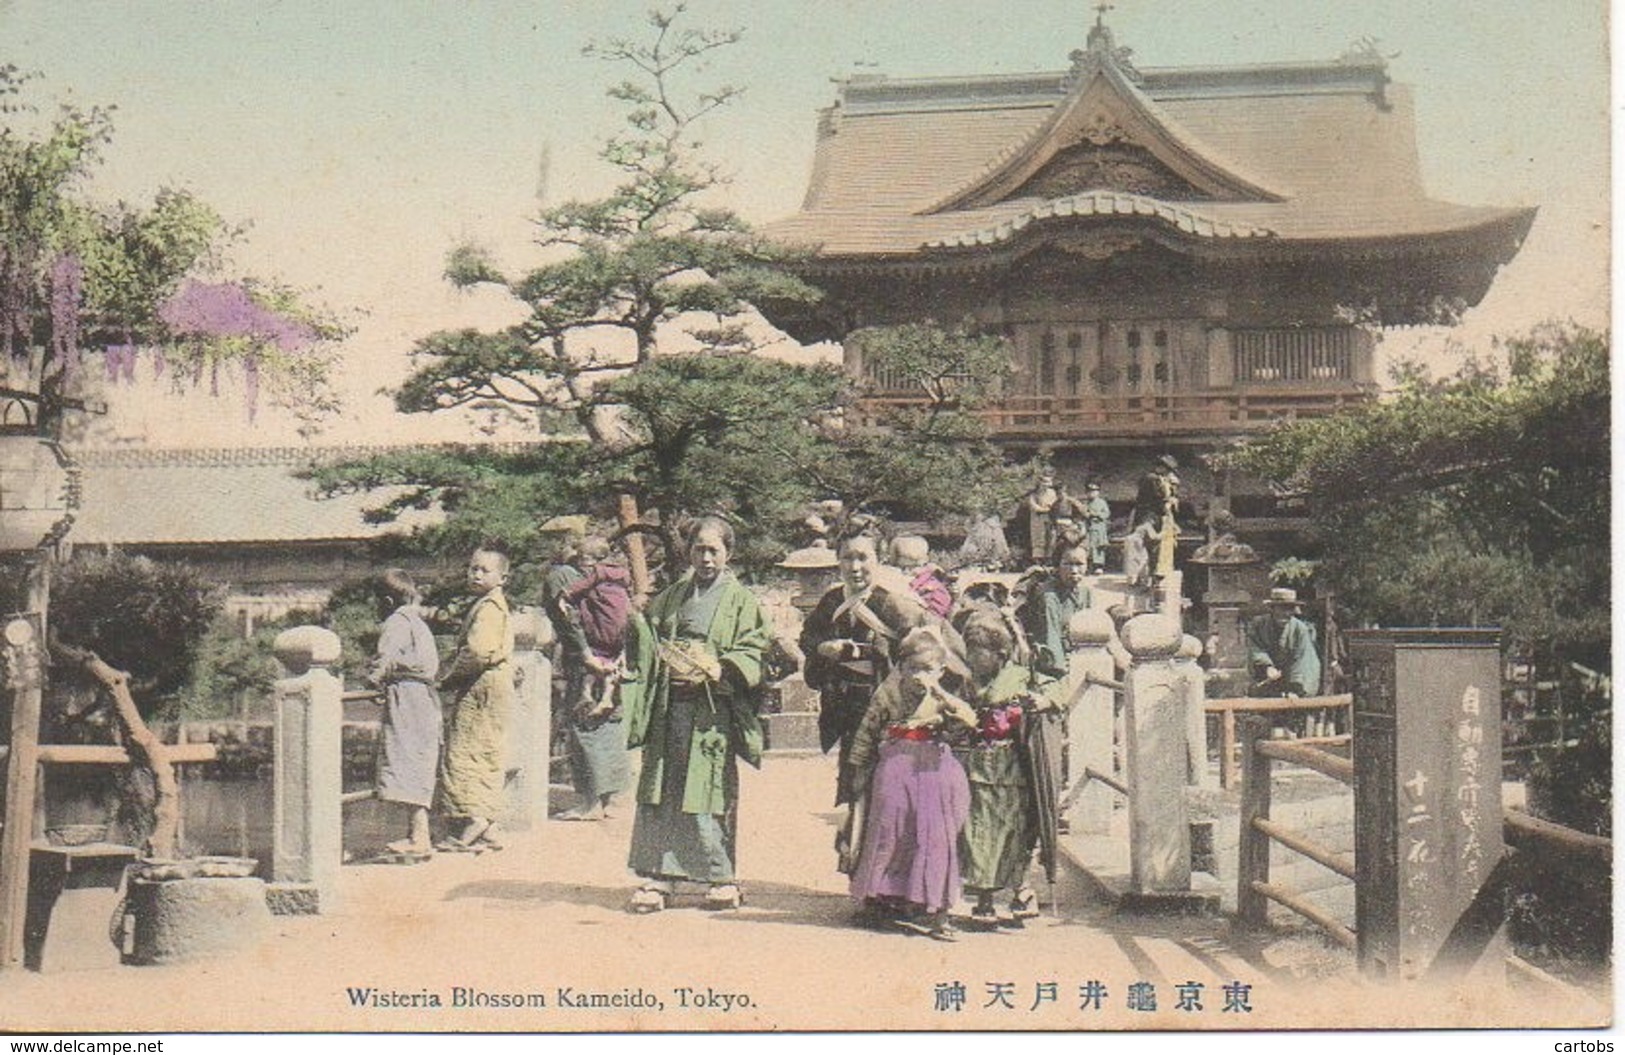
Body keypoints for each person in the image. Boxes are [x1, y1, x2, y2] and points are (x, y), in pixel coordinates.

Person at [622, 517, 773, 912]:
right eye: (698, 549)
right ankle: (659, 876)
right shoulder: (672, 596)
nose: (705, 558)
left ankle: (719, 876)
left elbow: (756, 648)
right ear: (688, 552)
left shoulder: (742, 602)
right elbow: (648, 638)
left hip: (712, 708)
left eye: (714, 550)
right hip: (670, 706)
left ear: (729, 553)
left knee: (710, 789)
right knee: (664, 787)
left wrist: (720, 667)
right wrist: (636, 620)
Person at [846, 627, 976, 941]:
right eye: (913, 668)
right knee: (889, 833)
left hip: (935, 769)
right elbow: (866, 731)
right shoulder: (888, 693)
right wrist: (856, 770)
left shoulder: (945, 695)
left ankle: (939, 912)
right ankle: (879, 899)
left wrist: (940, 694)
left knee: (937, 838)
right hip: (895, 766)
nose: (920, 676)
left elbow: (968, 722)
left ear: (942, 669)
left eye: (928, 669)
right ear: (901, 666)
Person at [800, 534, 930, 807]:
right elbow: (808, 636)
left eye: (863, 557)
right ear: (838, 561)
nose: (855, 566)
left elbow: (924, 648)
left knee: (886, 785)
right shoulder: (833, 600)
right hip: (847, 706)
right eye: (847, 558)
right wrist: (824, 647)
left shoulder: (896, 602)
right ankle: (857, 844)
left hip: (886, 706)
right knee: (855, 785)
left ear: (879, 560)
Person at [952, 607, 1052, 927]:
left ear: (1000, 654)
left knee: (1015, 832)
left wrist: (1044, 701)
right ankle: (983, 900)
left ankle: (1021, 891)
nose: (971, 658)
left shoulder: (1022, 678)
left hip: (1012, 768)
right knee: (979, 832)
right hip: (977, 768)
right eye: (968, 651)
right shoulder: (965, 681)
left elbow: (1054, 689)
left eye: (978, 652)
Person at [436, 546, 515, 852]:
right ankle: (488, 824)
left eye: (484, 570)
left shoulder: (490, 608)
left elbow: (479, 651)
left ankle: (474, 820)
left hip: (482, 684)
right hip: (494, 684)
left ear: (502, 577)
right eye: (472, 568)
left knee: (465, 749)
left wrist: (448, 677)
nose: (476, 574)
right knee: (486, 749)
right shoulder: (490, 604)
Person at [553, 535, 633, 821]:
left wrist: (585, 654)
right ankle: (610, 798)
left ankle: (591, 802)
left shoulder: (565, 575)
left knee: (585, 722)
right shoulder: (618, 577)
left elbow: (570, 622)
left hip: (590, 653)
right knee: (608, 722)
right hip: (616, 648)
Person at [367, 569, 441, 860]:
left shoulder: (396, 621)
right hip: (424, 697)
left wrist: (372, 680)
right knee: (418, 760)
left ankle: (418, 836)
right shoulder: (420, 624)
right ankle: (419, 834)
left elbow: (384, 657)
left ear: (387, 600)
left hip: (407, 697)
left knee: (405, 756)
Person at [1021, 543, 1092, 681]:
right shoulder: (1049, 596)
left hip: (1077, 655)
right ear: (1057, 565)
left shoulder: (1085, 592)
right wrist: (1064, 672)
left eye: (1080, 564)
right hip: (1050, 661)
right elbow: (1050, 637)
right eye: (1068, 564)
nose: (1074, 570)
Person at [1246, 587, 1322, 697]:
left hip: (1293, 681)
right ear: (1272, 608)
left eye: (1290, 609)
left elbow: (1304, 661)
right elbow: (1255, 648)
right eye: (1282, 608)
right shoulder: (1259, 625)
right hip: (1267, 679)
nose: (1286, 613)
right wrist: (1266, 667)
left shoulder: (1300, 630)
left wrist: (1296, 688)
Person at [891, 535, 952, 619]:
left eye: (907, 568)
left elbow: (933, 618)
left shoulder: (933, 588)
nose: (905, 572)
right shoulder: (919, 580)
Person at [1081, 483, 1111, 571]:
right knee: (1088, 546)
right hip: (1089, 527)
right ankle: (1089, 565)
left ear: (1098, 493)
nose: (1092, 493)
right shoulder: (1086, 503)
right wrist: (1087, 514)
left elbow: (1107, 514)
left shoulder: (1102, 502)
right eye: (1089, 492)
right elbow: (1084, 513)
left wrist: (1097, 515)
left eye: (1094, 491)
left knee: (1098, 547)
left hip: (1099, 527)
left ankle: (1099, 566)